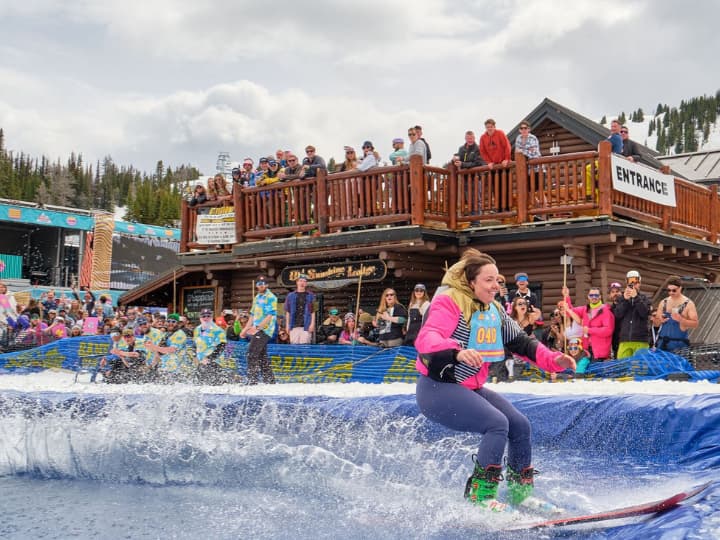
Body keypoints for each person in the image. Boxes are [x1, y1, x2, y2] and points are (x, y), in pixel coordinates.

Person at [414, 249, 575, 511]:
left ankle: (520, 494)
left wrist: (553, 360)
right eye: (488, 280)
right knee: (497, 423)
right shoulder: (447, 302)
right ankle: (480, 494)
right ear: (471, 282)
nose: (496, 285)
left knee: (519, 425)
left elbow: (521, 342)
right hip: (437, 389)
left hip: (470, 388)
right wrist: (456, 352)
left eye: (498, 280)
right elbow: (427, 338)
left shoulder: (495, 310)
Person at [561, 286, 615, 362]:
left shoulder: (606, 311)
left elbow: (608, 330)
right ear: (588, 297)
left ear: (600, 297)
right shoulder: (585, 309)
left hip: (600, 353)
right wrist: (566, 296)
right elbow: (570, 312)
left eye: (596, 295)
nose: (594, 297)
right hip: (586, 349)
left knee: (596, 373)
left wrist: (590, 330)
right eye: (591, 295)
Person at [241, 275, 277, 384]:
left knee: (251, 353)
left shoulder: (271, 297)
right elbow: (252, 315)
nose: (261, 286)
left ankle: (252, 381)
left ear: (267, 285)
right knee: (262, 356)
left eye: (263, 283)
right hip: (256, 329)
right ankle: (270, 381)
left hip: (265, 330)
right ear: (256, 285)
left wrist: (257, 328)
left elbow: (270, 316)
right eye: (259, 284)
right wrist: (245, 329)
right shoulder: (256, 297)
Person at [651, 275, 699, 352]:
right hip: (663, 345)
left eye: (674, 290)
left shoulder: (688, 304)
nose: (671, 293)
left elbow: (695, 323)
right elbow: (656, 324)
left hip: (679, 347)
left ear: (680, 288)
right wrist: (659, 320)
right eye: (669, 290)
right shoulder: (663, 302)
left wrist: (681, 320)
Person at [613, 270, 652, 359]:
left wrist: (636, 298)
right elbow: (617, 315)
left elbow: (644, 313)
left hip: (641, 340)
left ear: (640, 283)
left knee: (639, 369)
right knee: (623, 369)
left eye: (636, 282)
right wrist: (625, 300)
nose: (633, 284)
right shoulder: (621, 299)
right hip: (624, 340)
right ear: (627, 283)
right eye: (631, 282)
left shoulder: (645, 298)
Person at [143, 313, 192, 380]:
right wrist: (151, 367)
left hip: (180, 371)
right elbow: (159, 352)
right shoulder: (166, 335)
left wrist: (153, 347)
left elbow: (171, 350)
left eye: (173, 322)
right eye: (168, 321)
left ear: (178, 323)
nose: (170, 323)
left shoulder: (180, 334)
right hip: (166, 370)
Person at [193, 308, 230, 384]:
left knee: (214, 388)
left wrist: (209, 358)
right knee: (199, 387)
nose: (206, 318)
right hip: (201, 363)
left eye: (208, 316)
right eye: (203, 316)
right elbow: (195, 344)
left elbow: (222, 346)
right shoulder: (197, 329)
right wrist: (195, 356)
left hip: (215, 362)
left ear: (211, 317)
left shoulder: (218, 330)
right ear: (200, 318)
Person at [284, 273, 316, 344]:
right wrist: (287, 325)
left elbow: (313, 311)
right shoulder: (290, 296)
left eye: (304, 281)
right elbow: (287, 311)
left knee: (304, 347)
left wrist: (312, 324)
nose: (302, 283)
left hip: (306, 325)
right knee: (294, 347)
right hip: (293, 325)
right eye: (300, 281)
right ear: (297, 282)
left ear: (306, 283)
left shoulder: (311, 295)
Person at [608, 281, 624, 358]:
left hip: (626, 340)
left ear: (621, 293)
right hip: (615, 342)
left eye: (617, 291)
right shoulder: (609, 309)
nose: (615, 294)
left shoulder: (626, 305)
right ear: (610, 295)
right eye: (613, 292)